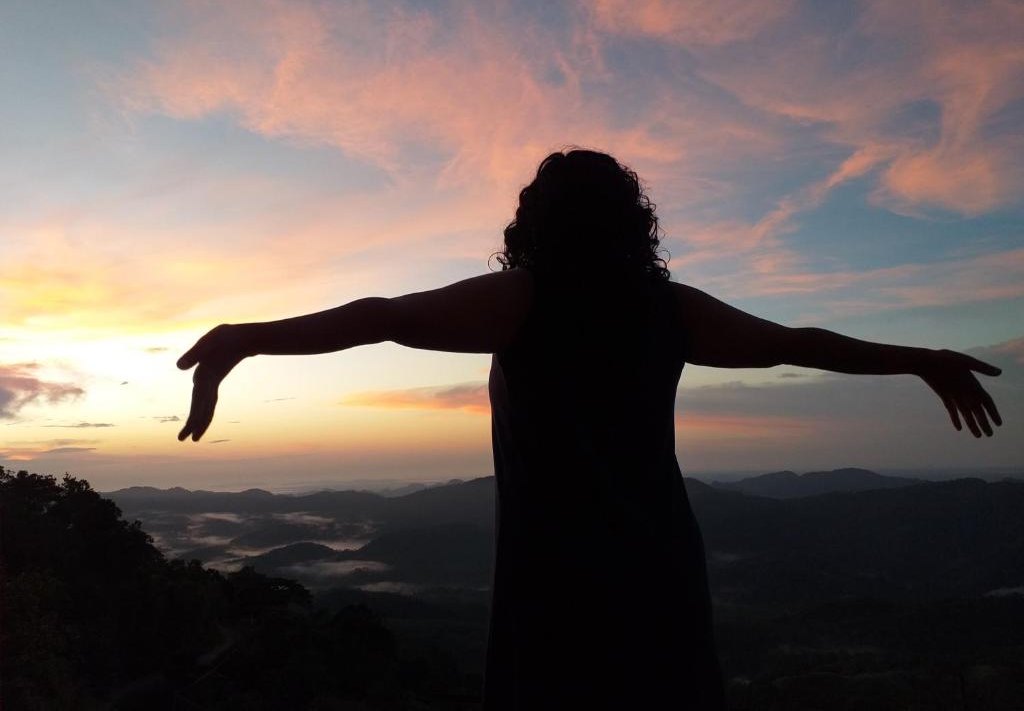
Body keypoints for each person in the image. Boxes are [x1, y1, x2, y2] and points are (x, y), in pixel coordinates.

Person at [176, 148, 1003, 709]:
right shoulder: (672, 310)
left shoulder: (522, 298)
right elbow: (803, 345)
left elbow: (379, 317)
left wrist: (248, 337)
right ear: (632, 222)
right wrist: (920, 357)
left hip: (554, 584)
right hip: (662, 571)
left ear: (534, 222)